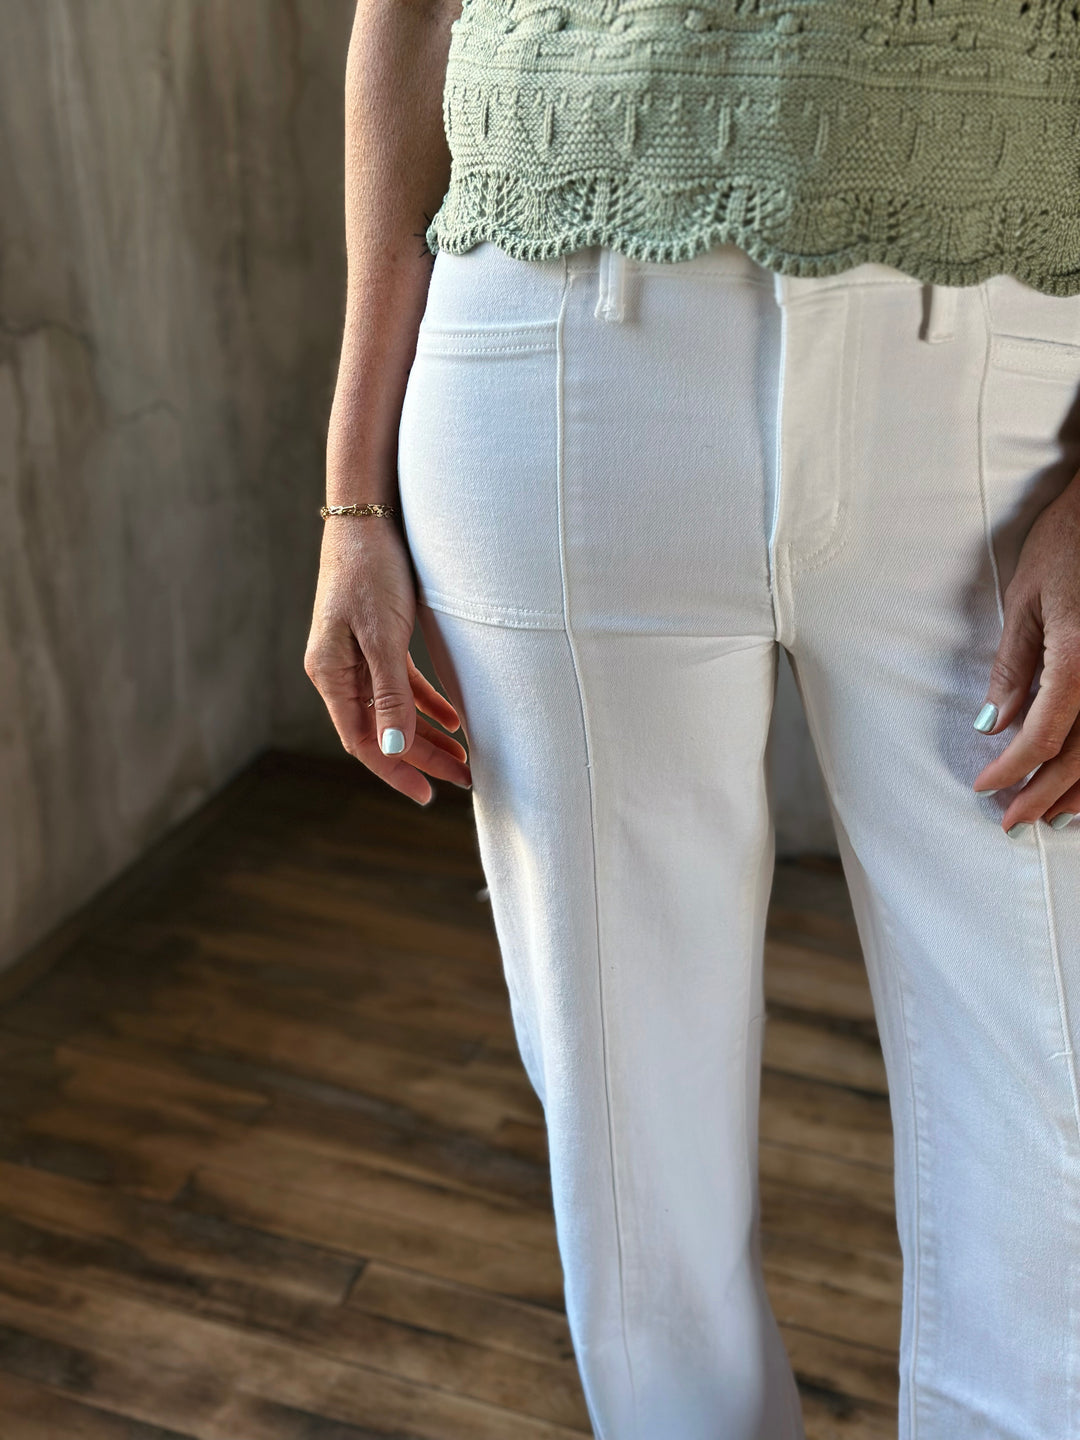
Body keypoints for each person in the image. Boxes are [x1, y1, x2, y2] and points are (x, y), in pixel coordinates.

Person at [304, 3, 1080, 1437]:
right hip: (546, 349)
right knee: (628, 1152)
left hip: (996, 387)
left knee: (1051, 1113)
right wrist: (353, 492)